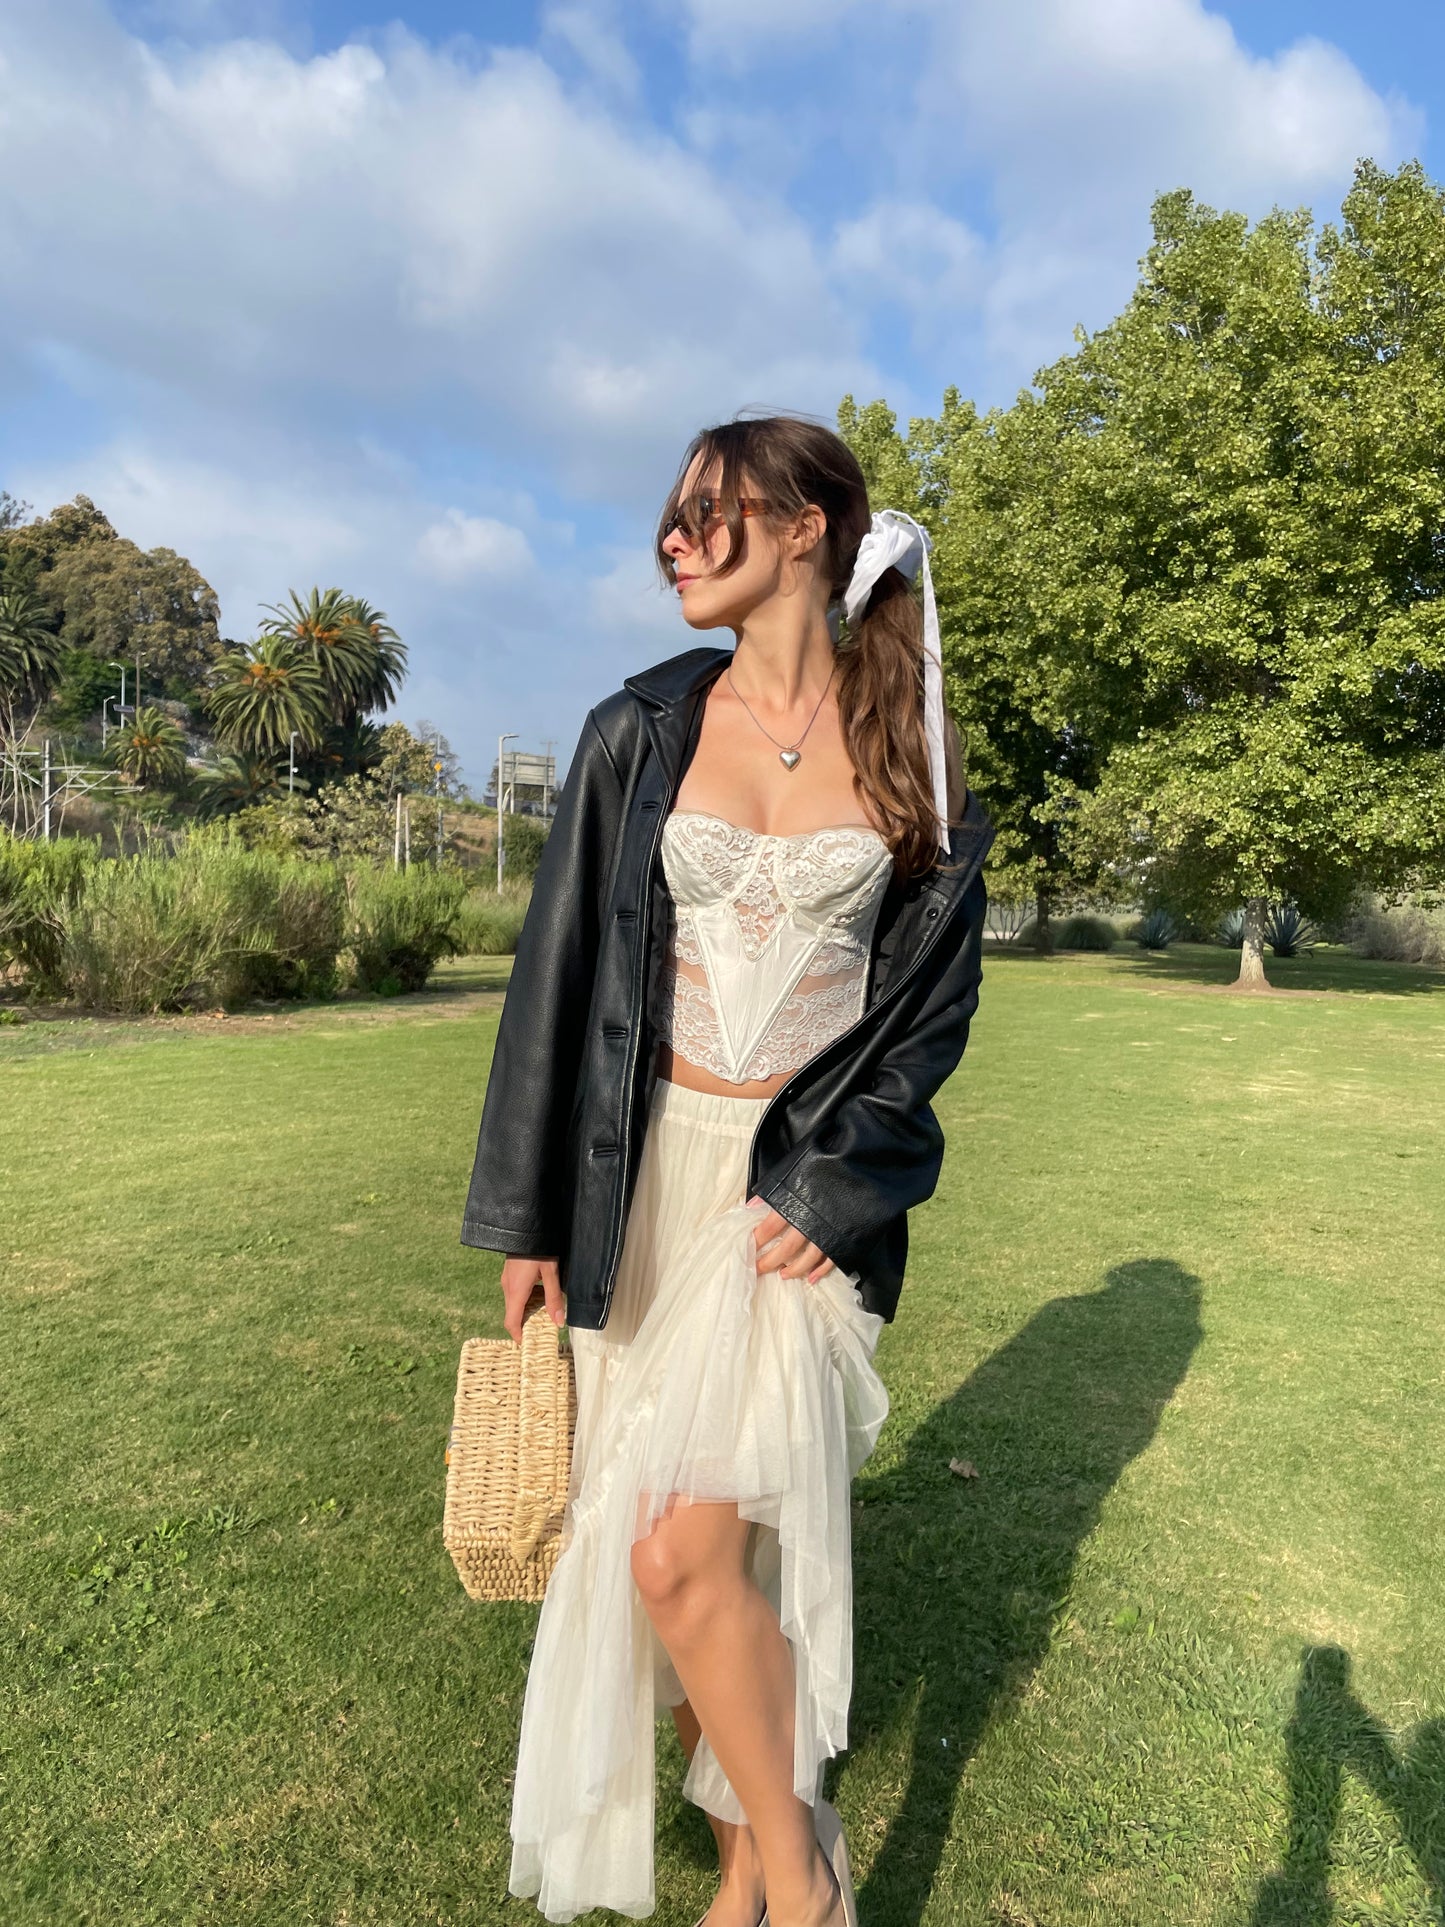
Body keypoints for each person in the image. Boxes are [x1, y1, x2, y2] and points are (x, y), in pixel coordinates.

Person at [461, 413, 995, 1927]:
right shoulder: (639, 728)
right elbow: (552, 987)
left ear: (810, 524)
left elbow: (925, 1026)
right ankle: (750, 1866)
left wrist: (828, 1195)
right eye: (671, 522)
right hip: (642, 1184)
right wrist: (526, 1216)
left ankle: (804, 1874)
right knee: (706, 1566)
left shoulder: (916, 754)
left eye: (708, 514)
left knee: (681, 1554)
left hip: (790, 1212)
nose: (675, 543)